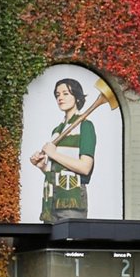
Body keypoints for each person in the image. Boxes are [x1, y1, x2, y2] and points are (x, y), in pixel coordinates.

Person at [31, 77, 96, 222]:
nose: (60, 98)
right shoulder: (57, 131)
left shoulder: (85, 126)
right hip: (52, 199)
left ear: (77, 97)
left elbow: (85, 167)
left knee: (70, 242)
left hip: (72, 202)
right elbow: (57, 171)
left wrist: (53, 153)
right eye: (57, 94)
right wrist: (42, 166)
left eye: (66, 93)